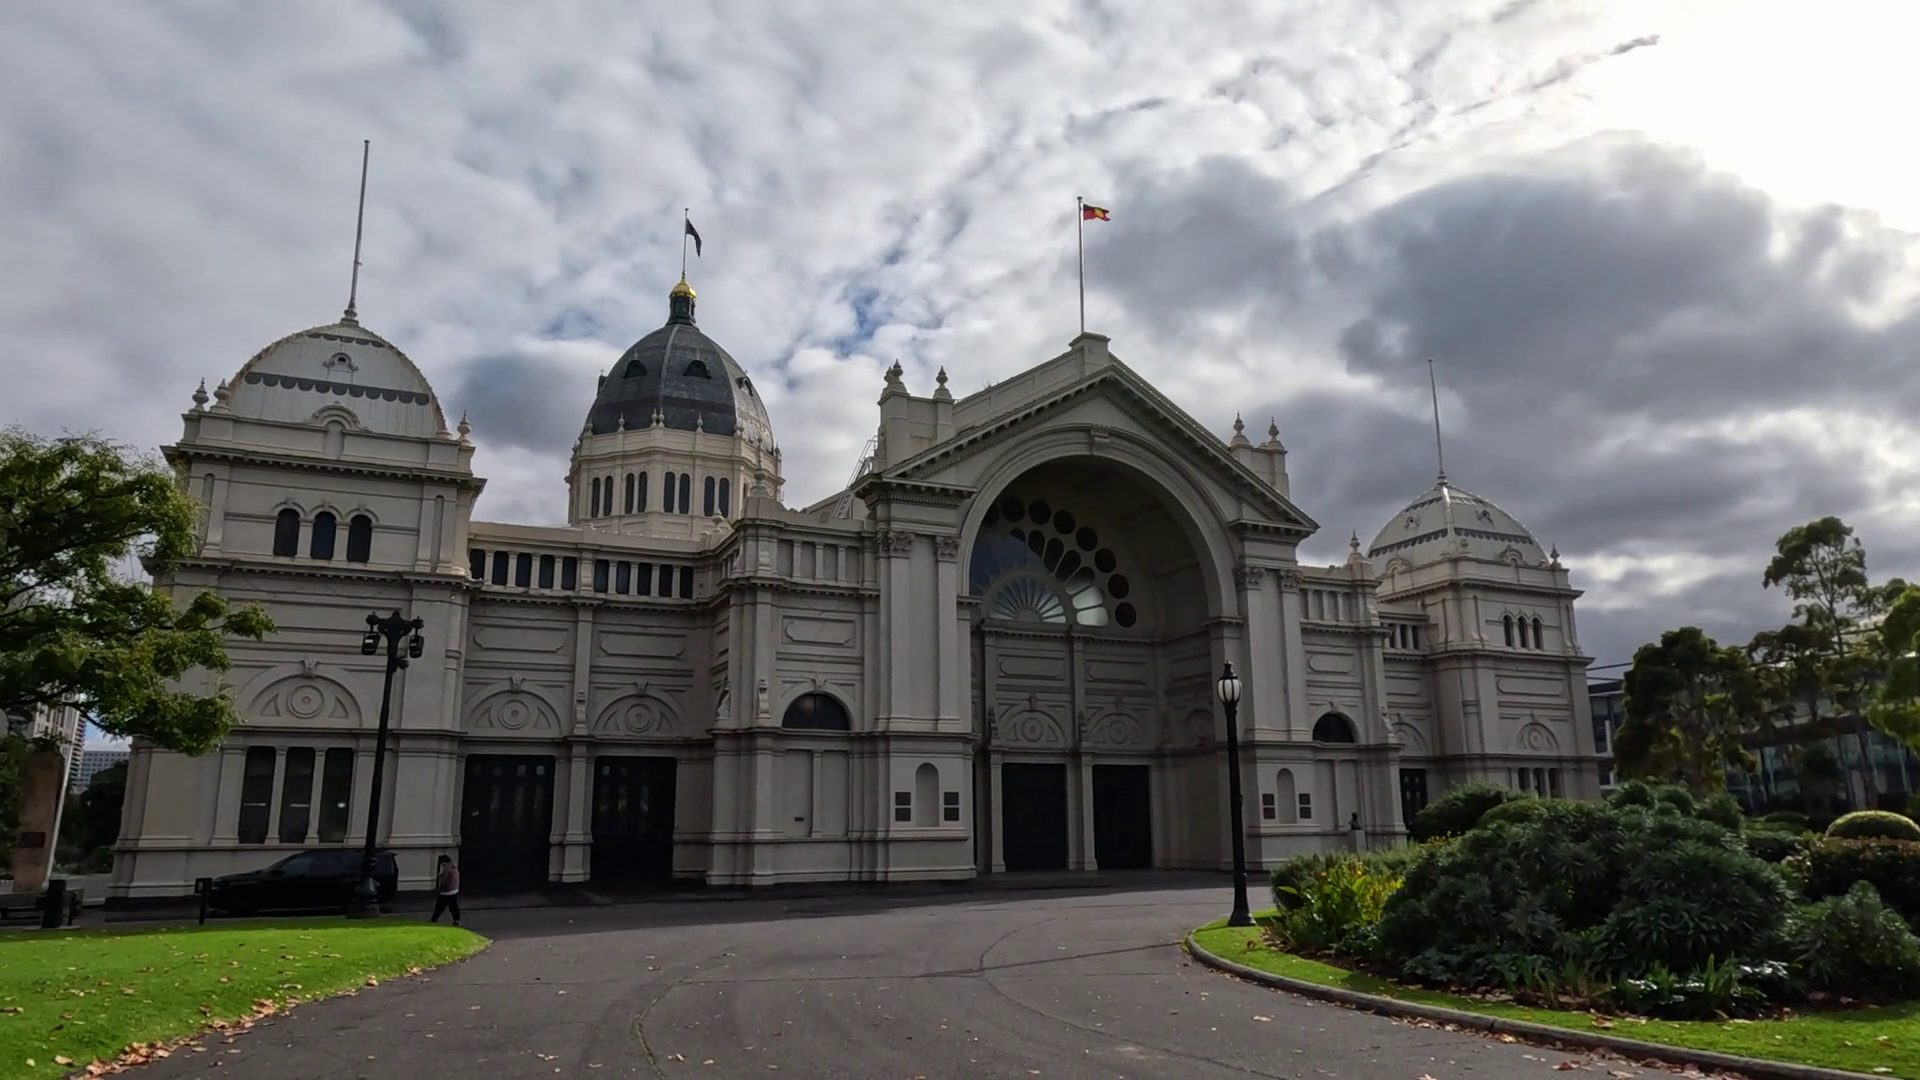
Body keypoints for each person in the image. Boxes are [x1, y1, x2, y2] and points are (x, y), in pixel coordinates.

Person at [430, 854, 461, 926]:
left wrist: (440, 876)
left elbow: (444, 881)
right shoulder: (454, 867)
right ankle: (457, 920)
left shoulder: (446, 869)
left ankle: (434, 919)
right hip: (454, 889)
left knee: (439, 907)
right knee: (453, 907)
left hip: (446, 891)